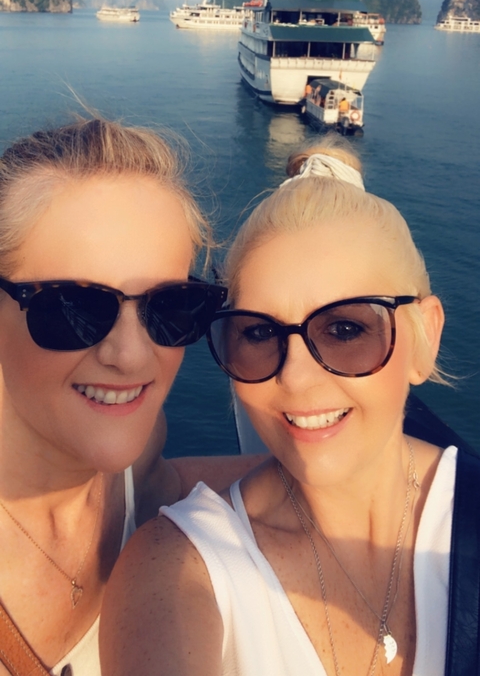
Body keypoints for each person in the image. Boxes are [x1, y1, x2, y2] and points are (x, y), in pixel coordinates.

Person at [101, 135, 474, 676]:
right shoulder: (181, 571)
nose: (295, 377)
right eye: (257, 332)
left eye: (345, 328)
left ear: (425, 339)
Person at [0, 115, 262, 676]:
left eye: (169, 308)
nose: (133, 356)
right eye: (73, 309)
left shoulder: (133, 457)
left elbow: (166, 486)